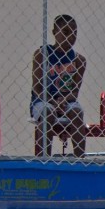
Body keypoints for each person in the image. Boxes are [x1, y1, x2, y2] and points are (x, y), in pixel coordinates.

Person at [31, 14, 86, 158]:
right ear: (55, 32)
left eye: (74, 33)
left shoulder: (79, 60)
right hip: (43, 100)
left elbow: (74, 92)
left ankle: (80, 159)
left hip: (66, 100)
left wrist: (63, 101)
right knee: (48, 112)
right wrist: (53, 101)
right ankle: (44, 158)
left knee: (77, 113)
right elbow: (37, 87)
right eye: (66, 32)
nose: (70, 37)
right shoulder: (42, 54)